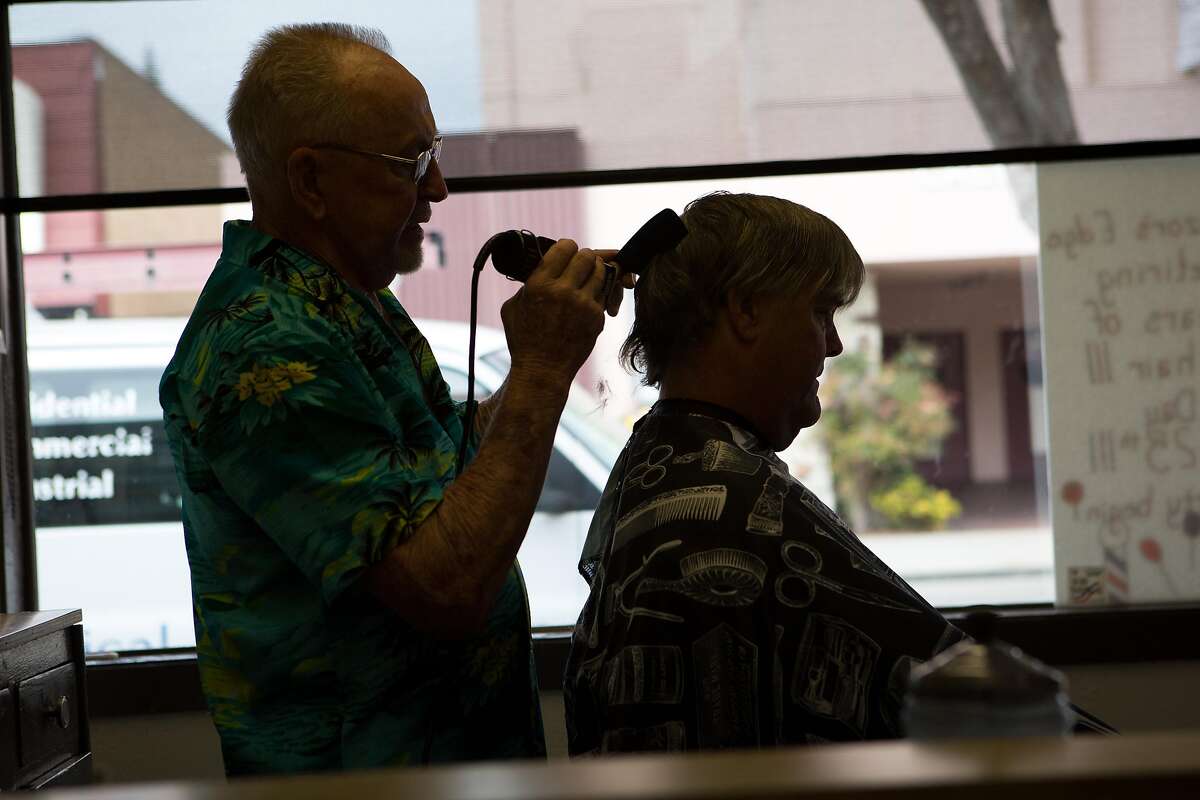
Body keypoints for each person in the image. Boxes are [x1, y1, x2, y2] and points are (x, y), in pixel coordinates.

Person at [160, 23, 622, 775]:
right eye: (411, 163)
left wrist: (539, 362)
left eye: (433, 157)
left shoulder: (346, 301)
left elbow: (434, 477)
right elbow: (444, 588)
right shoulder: (264, 345)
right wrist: (541, 370)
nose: (438, 189)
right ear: (309, 180)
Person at [562, 191, 968, 754]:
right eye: (820, 312)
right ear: (746, 310)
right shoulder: (721, 509)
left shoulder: (661, 462)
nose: (834, 344)